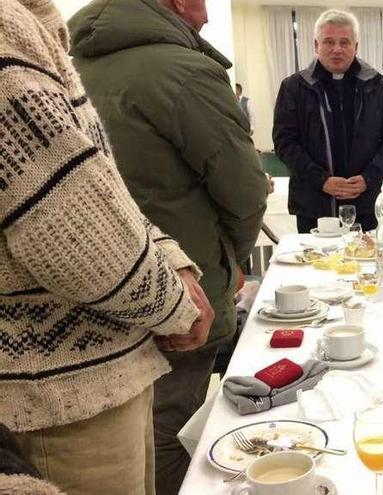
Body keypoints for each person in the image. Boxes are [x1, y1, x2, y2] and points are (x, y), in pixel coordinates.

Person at [1, 1, 214, 494]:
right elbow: (71, 230)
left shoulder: (37, 27)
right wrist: (179, 305)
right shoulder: (7, 30)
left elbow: (101, 187)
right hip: (60, 386)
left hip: (102, 364)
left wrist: (173, 260)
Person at [68, 0, 268, 493]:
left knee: (114, 441)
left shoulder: (68, 66)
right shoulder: (184, 71)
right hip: (178, 293)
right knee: (171, 432)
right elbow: (243, 193)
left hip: (86, 298)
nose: (205, 15)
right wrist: (232, 258)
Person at [273, 9, 383, 233]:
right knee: (315, 267)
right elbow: (285, 143)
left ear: (356, 47)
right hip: (313, 204)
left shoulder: (375, 86)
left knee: (364, 265)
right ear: (316, 45)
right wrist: (322, 180)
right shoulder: (294, 87)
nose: (337, 49)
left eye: (344, 42)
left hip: (365, 203)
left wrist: (368, 178)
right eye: (329, 42)